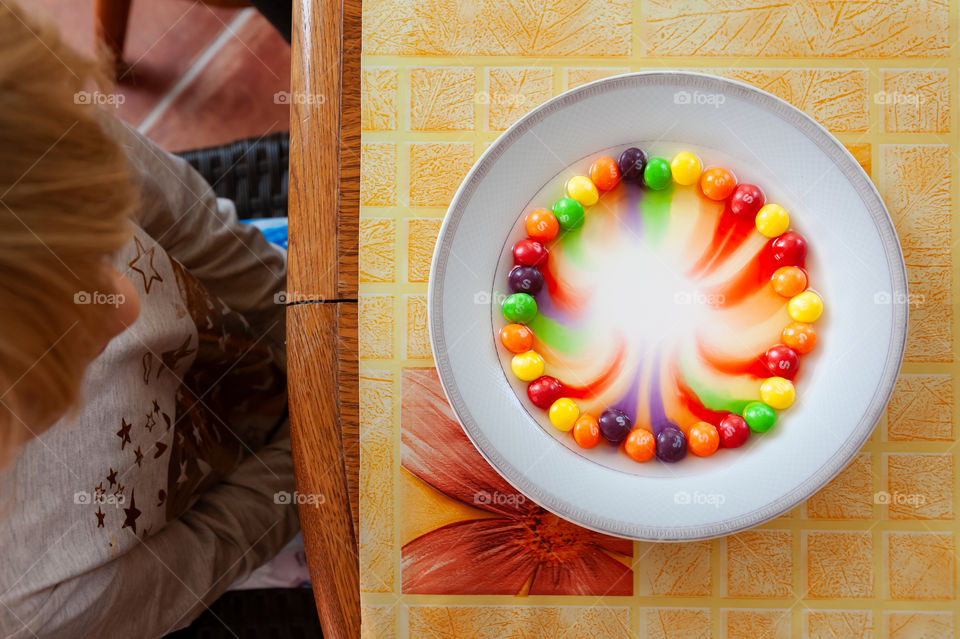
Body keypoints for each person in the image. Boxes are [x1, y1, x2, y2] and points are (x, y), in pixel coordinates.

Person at [0, 3, 299, 637]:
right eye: (55, 337)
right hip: (270, 511)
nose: (128, 303)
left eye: (93, 236)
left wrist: (307, 321)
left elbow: (193, 226)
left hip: (262, 302)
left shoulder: (18, 119)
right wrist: (339, 431)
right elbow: (225, 535)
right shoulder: (30, 602)